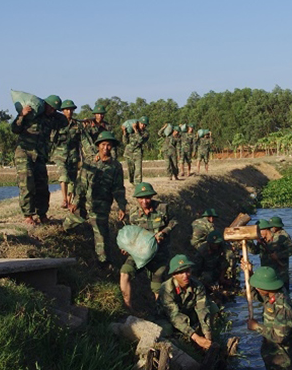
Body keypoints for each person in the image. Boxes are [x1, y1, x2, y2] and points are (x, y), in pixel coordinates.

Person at [71, 131, 127, 264]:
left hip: (101, 206)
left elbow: (118, 188)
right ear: (98, 146)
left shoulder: (116, 166)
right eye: (103, 144)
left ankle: (103, 264)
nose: (106, 148)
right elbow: (81, 183)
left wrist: (122, 206)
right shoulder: (89, 162)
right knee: (68, 225)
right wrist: (76, 201)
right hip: (85, 204)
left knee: (101, 236)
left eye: (109, 145)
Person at [11, 94, 67, 226]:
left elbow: (65, 121)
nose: (52, 111)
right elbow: (15, 129)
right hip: (24, 152)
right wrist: (22, 115)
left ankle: (42, 213)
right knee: (27, 183)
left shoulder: (52, 119)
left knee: (42, 185)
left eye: (54, 109)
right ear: (46, 105)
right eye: (51, 108)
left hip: (40, 155)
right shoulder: (32, 115)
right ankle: (28, 215)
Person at [120, 182, 177, 311]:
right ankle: (128, 309)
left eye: (147, 198)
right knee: (125, 272)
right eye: (141, 198)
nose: (144, 201)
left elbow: (174, 221)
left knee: (157, 285)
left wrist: (163, 232)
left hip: (159, 253)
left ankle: (159, 311)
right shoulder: (134, 214)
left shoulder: (163, 208)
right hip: (139, 252)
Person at [242, 262, 292, 370]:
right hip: (272, 354)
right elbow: (253, 294)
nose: (257, 287)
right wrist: (249, 273)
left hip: (281, 360)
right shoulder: (272, 294)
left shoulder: (283, 308)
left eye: (259, 285)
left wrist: (257, 326)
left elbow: (279, 337)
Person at [156, 254, 213, 351]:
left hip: (187, 313)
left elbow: (202, 309)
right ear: (174, 275)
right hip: (167, 318)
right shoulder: (166, 289)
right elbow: (174, 316)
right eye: (180, 272)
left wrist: (207, 336)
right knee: (167, 329)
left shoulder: (197, 286)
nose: (185, 276)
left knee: (213, 307)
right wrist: (196, 337)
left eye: (187, 271)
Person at [51, 99, 83, 208]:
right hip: (60, 155)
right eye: (66, 110)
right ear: (63, 111)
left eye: (71, 110)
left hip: (73, 156)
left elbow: (83, 140)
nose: (69, 112)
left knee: (72, 180)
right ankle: (64, 199)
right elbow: (51, 139)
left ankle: (69, 201)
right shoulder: (57, 124)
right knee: (63, 176)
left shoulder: (77, 125)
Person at [257, 217, 292, 289]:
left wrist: (278, 255)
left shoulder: (281, 237)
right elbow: (255, 251)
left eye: (260, 231)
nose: (259, 234)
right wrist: (248, 242)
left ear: (266, 229)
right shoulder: (262, 240)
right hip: (267, 275)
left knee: (283, 296)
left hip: (280, 275)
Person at [122, 115, 149, 184]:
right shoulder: (130, 131)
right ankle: (132, 182)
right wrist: (124, 132)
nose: (143, 126)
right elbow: (125, 142)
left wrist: (135, 130)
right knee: (130, 169)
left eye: (145, 125)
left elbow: (140, 140)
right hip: (128, 152)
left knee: (138, 169)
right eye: (141, 124)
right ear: (138, 123)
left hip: (138, 152)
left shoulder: (145, 133)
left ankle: (138, 184)